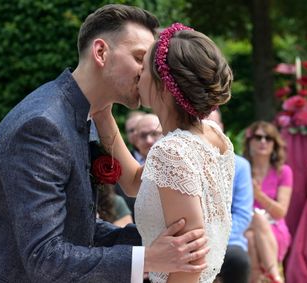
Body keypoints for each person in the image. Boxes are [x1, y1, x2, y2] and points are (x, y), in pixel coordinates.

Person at [0, 5, 209, 283]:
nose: (148, 73)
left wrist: (156, 238)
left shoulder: (85, 116)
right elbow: (44, 257)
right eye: (139, 59)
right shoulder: (41, 126)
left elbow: (77, 229)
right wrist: (148, 257)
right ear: (101, 52)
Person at [93, 22, 234, 283]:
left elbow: (189, 261)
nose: (137, 73)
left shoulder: (172, 152)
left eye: (143, 67)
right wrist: (103, 115)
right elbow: (136, 183)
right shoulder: (213, 136)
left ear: (163, 85)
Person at [243, 121, 293, 283]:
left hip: (274, 229)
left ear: (274, 144)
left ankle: (262, 276)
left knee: (251, 237)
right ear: (250, 142)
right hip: (245, 224)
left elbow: (280, 213)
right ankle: (275, 276)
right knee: (252, 228)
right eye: (258, 137)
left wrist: (259, 195)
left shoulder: (284, 172)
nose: (263, 142)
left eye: (268, 138)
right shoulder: (242, 170)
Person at [208, 110, 253, 283]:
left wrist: (216, 240)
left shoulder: (240, 166)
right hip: (195, 240)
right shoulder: (186, 162)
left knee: (238, 261)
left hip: (229, 240)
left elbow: (242, 214)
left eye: (212, 125)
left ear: (221, 128)